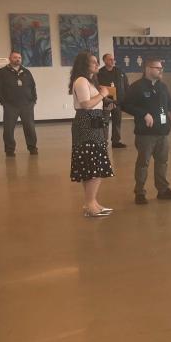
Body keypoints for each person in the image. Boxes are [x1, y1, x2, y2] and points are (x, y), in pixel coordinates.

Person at [122, 57, 171, 204]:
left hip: (162, 132)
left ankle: (163, 190)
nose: (161, 70)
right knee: (143, 163)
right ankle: (140, 192)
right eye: (158, 68)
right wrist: (143, 114)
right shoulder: (137, 87)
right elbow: (125, 105)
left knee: (162, 162)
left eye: (161, 68)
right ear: (148, 69)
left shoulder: (162, 86)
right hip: (146, 134)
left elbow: (169, 102)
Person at [68, 51, 115, 217]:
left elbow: (93, 105)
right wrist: (102, 94)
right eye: (93, 62)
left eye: (96, 62)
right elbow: (86, 104)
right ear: (84, 64)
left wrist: (105, 106)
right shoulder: (81, 81)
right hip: (86, 124)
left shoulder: (89, 81)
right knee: (94, 166)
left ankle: (92, 202)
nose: (97, 64)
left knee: (92, 166)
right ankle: (89, 204)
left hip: (93, 122)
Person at [0, 50, 38, 156]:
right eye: (15, 57)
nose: (17, 59)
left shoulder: (26, 72)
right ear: (10, 58)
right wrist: (3, 102)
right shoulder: (2, 72)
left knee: (30, 128)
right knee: (8, 129)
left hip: (27, 105)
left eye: (19, 57)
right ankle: (9, 150)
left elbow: (33, 86)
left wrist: (33, 100)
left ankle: (32, 148)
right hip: (10, 106)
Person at [97, 52, 129, 148]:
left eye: (113, 59)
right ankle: (103, 142)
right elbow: (96, 87)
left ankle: (116, 141)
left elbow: (126, 85)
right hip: (105, 101)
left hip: (117, 102)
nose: (112, 61)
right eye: (110, 59)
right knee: (104, 122)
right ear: (104, 61)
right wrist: (103, 97)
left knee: (117, 122)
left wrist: (126, 98)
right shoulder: (99, 73)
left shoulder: (120, 72)